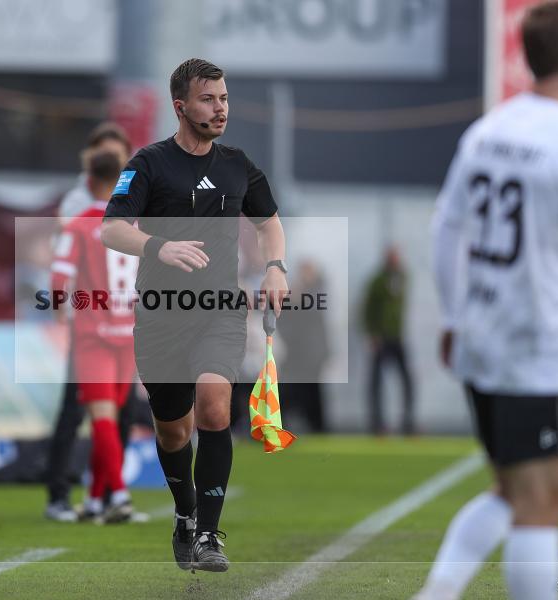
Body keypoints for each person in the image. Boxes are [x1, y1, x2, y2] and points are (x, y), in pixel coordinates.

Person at [416, 3, 558, 599]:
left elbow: (444, 227)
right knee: (543, 499)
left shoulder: (490, 129)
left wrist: (454, 315)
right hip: (538, 346)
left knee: (512, 491)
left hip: (483, 339)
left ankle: (435, 594)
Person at [102, 58, 287, 572]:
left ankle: (208, 534)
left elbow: (270, 223)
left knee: (214, 406)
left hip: (220, 312)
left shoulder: (238, 164)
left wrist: (275, 267)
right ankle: (185, 515)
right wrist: (159, 246)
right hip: (161, 316)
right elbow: (112, 229)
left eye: (224, 98)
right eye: (209, 99)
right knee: (173, 434)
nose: (220, 108)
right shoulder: (148, 163)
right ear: (181, 106)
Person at [44, 123, 133, 523]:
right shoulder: (135, 226)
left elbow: (59, 276)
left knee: (102, 421)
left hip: (93, 334)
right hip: (128, 332)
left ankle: (118, 496)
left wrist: (61, 307)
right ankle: (97, 499)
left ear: (89, 177)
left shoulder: (78, 222)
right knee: (109, 421)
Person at [362, 245, 415, 435]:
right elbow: (367, 308)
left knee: (407, 380)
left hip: (397, 335)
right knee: (376, 382)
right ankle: (377, 423)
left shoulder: (402, 277)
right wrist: (372, 333)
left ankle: (408, 421)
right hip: (382, 336)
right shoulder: (378, 280)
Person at [278, 260, 331, 432]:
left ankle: (318, 425)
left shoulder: (315, 293)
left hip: (312, 353)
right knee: (294, 389)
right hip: (297, 353)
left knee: (312, 391)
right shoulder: (298, 294)